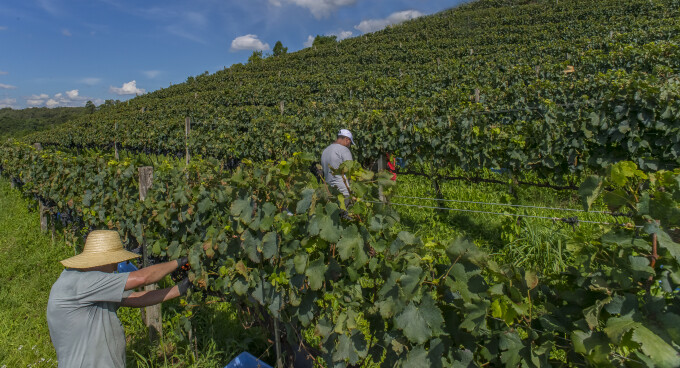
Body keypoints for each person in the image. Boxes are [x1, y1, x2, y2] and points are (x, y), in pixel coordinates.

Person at [46, 230, 191, 368]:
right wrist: (180, 262)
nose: (116, 266)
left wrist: (179, 289)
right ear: (101, 260)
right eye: (114, 261)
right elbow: (142, 278)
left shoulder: (86, 284)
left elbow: (134, 298)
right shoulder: (81, 282)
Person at [320, 128, 355, 197]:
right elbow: (351, 170)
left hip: (330, 192)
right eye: (350, 143)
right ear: (347, 140)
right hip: (344, 192)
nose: (349, 145)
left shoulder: (325, 151)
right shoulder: (344, 150)